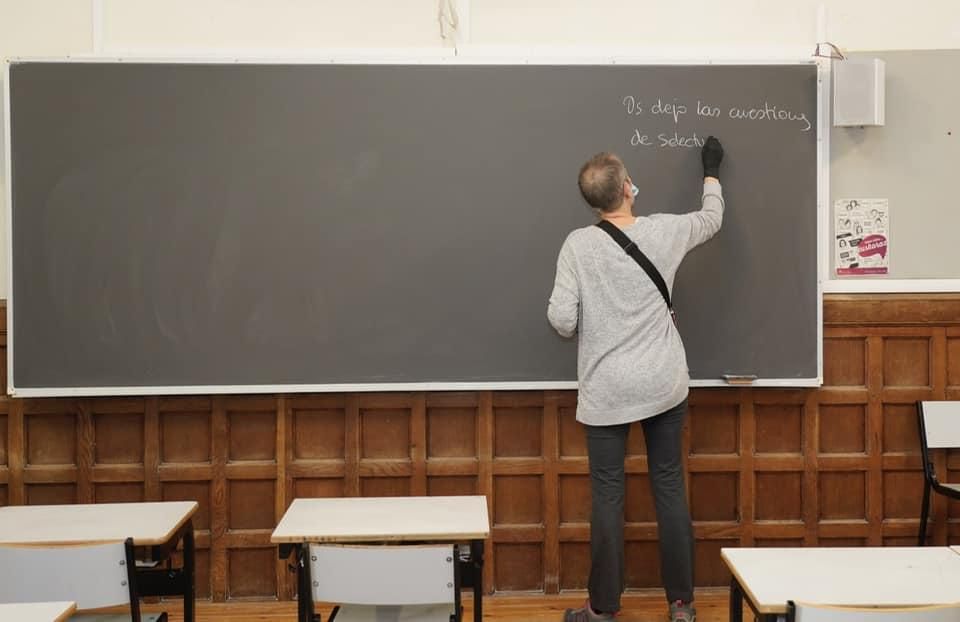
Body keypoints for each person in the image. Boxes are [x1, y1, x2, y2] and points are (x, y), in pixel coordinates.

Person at [547, 138, 725, 622]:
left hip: (607, 391)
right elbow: (712, 219)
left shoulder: (577, 246)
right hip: (663, 384)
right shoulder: (664, 232)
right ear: (628, 188)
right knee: (668, 486)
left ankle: (602, 608)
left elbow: (562, 321)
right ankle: (682, 606)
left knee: (607, 496)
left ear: (592, 200)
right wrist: (710, 171)